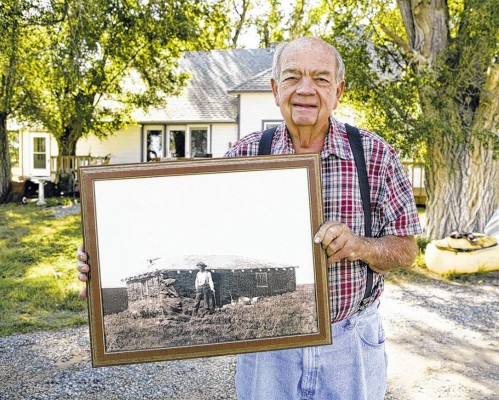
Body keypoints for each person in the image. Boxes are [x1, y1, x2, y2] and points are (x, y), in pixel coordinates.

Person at [77, 36, 421, 399]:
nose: (306, 89)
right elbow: (192, 220)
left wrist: (359, 246)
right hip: (267, 353)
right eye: (292, 77)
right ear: (275, 89)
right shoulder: (247, 153)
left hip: (350, 343)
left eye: (321, 79)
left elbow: (406, 250)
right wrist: (101, 259)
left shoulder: (374, 155)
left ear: (338, 90)